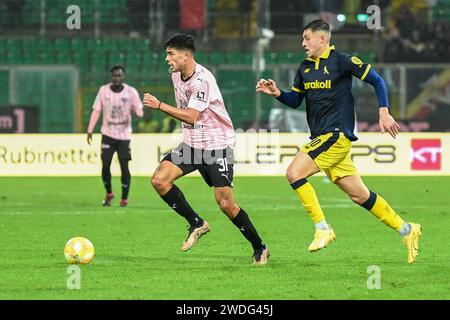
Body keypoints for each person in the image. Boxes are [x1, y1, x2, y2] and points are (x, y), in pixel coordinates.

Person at [256, 19, 422, 264]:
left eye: (307, 38)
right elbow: (295, 101)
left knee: (293, 173)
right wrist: (278, 93)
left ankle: (323, 228)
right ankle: (407, 230)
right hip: (322, 138)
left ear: (322, 39)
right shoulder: (304, 68)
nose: (303, 43)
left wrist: (384, 111)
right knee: (360, 196)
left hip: (335, 135)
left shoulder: (342, 61)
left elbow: (377, 80)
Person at [143, 34, 269, 265]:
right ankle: (197, 223)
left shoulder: (203, 80)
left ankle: (259, 247)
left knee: (226, 205)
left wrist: (159, 105)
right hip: (192, 145)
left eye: (171, 54)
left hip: (216, 145)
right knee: (160, 180)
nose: (167, 58)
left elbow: (192, 116)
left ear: (186, 55)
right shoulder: (176, 75)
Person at [87, 65, 144, 207]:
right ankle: (109, 193)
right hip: (107, 134)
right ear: (111, 77)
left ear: (123, 77)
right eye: (115, 76)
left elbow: (140, 111)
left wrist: (136, 110)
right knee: (105, 165)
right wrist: (90, 129)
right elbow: (96, 110)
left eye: (119, 75)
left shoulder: (131, 92)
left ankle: (124, 198)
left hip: (124, 136)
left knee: (124, 167)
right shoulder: (103, 90)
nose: (117, 78)